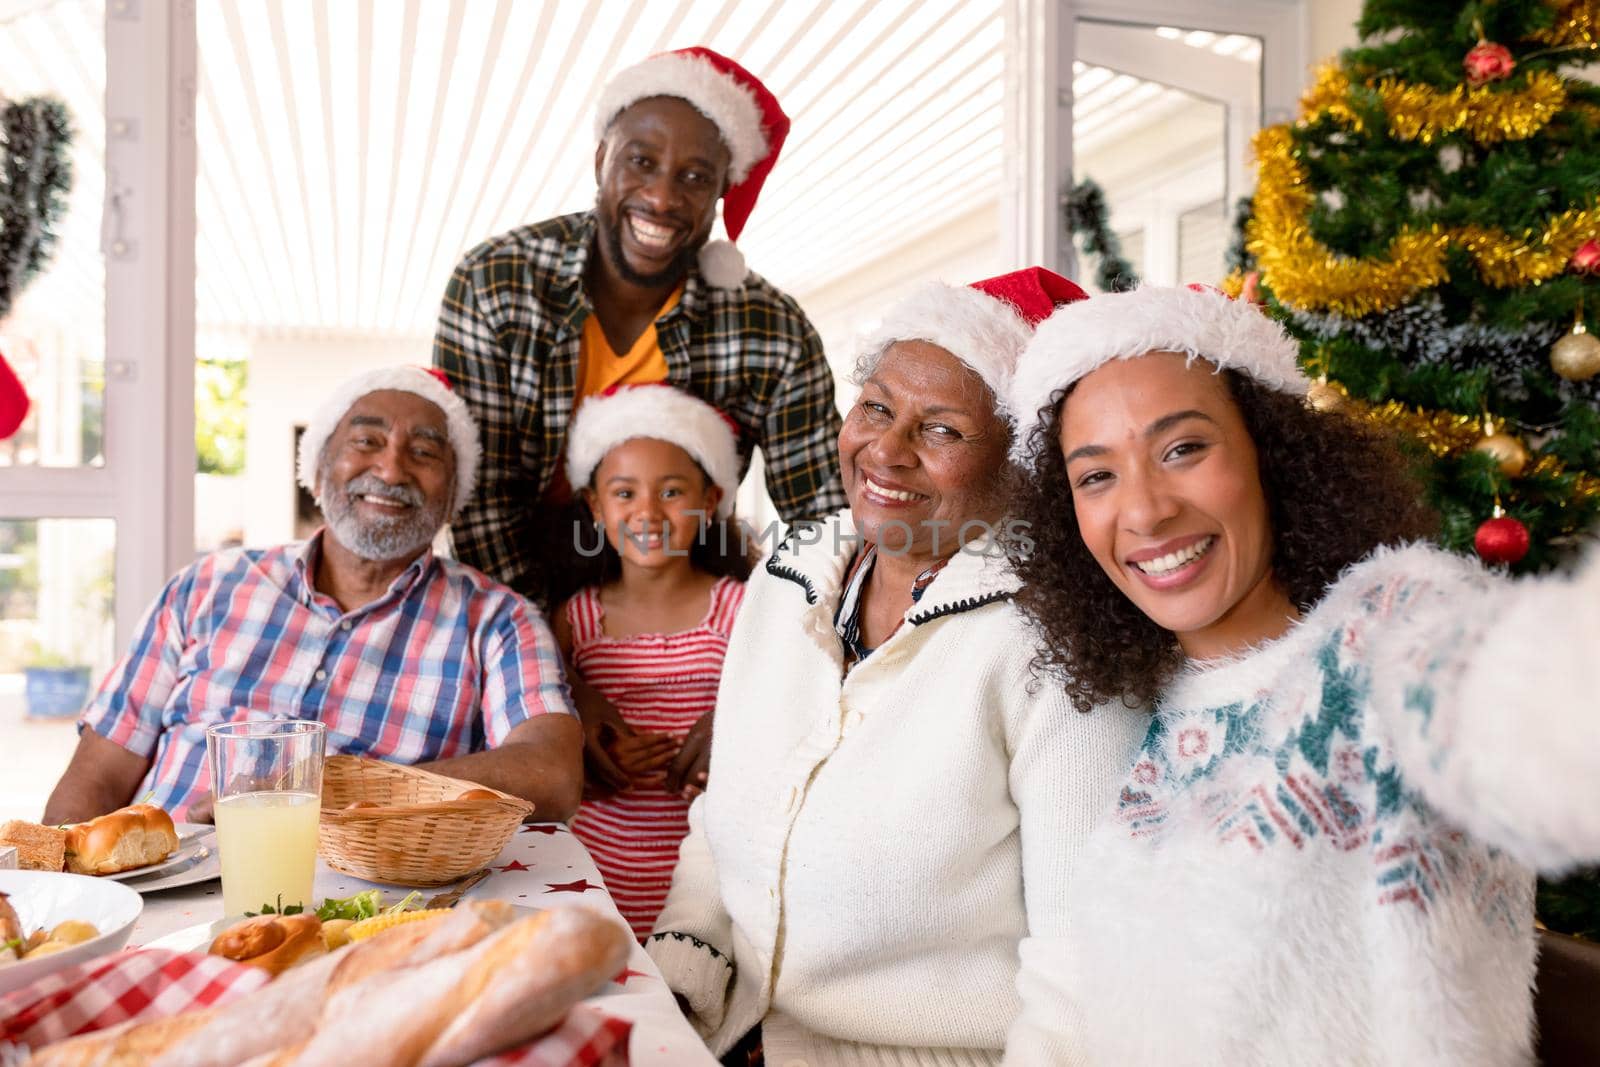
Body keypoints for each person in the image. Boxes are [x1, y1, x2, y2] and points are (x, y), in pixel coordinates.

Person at [1003, 283, 1600, 1065]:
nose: (1144, 512)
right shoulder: (1155, 718)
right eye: (1096, 476)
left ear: (1272, 451)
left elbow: (1538, 699)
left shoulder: (1390, 627)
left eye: (1182, 448)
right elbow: (1071, 1002)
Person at [645, 268, 1149, 1065]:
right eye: (876, 406)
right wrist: (678, 977)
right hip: (731, 1031)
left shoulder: (1058, 640)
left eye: (941, 429)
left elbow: (1082, 969)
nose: (885, 448)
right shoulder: (791, 569)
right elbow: (725, 812)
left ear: (1021, 465)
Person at [43, 366, 583, 825]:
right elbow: (97, 776)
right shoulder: (205, 587)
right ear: (318, 470)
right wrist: (68, 903)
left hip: (363, 914)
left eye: (423, 452)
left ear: (452, 498)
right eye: (366, 441)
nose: (391, 469)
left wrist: (333, 786)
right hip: (162, 895)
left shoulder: (498, 621)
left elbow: (553, 776)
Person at [434, 46, 844, 607]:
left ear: (723, 189)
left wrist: (785, 641)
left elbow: (822, 520)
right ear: (601, 159)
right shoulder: (498, 280)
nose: (661, 197)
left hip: (688, 596)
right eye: (640, 161)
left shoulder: (771, 329)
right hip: (518, 586)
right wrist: (535, 653)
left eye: (695, 176)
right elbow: (480, 504)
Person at [553, 384, 750, 942]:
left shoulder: (742, 610)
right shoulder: (575, 620)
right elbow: (546, 723)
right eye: (624, 492)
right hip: (596, 870)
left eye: (671, 491)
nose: (647, 512)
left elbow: (773, 716)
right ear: (595, 507)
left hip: (711, 877)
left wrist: (729, 755)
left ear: (709, 502)